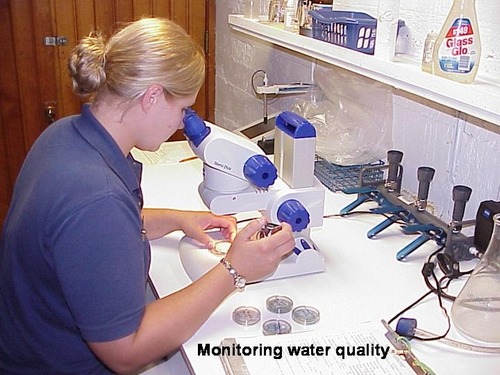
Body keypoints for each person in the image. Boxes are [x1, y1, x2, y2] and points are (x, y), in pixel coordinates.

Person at [0, 18, 295, 374]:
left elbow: (82, 235)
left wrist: (176, 219)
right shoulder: (98, 200)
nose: (181, 121)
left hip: (29, 339)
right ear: (152, 96)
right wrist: (234, 271)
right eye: (183, 108)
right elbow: (126, 354)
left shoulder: (64, 135)